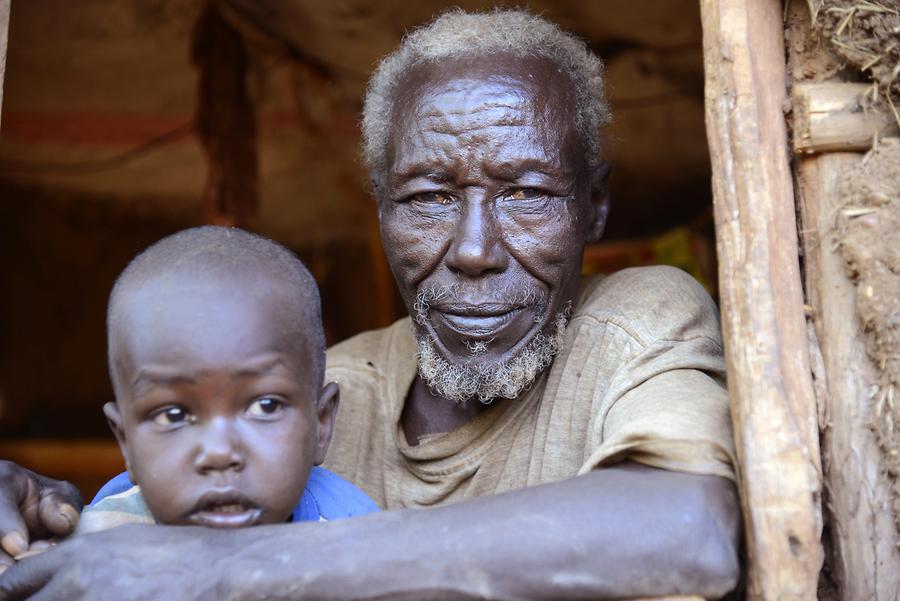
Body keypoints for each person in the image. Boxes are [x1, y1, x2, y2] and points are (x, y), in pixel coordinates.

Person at [0, 9, 741, 600]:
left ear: (595, 207)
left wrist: (227, 568)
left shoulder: (636, 323)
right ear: (380, 211)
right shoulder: (304, 397)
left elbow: (689, 529)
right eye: (429, 198)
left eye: (526, 193)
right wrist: (56, 520)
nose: (475, 249)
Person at [76, 226, 377, 535]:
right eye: (173, 415)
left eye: (265, 406)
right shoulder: (101, 539)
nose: (219, 453)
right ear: (126, 443)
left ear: (321, 424)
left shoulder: (354, 539)